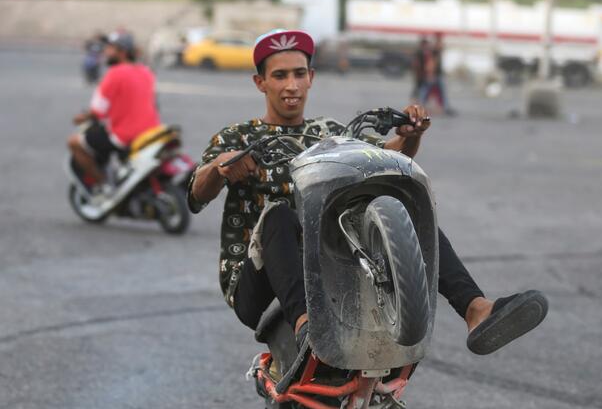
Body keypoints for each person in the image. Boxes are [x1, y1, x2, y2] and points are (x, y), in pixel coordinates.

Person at [187, 29, 547, 368]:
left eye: (298, 74)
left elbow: (384, 154)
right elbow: (196, 194)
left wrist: (410, 134)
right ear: (260, 82)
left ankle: (476, 309)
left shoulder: (329, 133)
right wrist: (220, 167)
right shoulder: (237, 137)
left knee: (403, 213)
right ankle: (307, 329)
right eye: (280, 76)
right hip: (259, 284)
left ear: (311, 77)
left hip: (327, 268)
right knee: (279, 215)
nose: (291, 85)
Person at [67, 31, 161, 189]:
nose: (105, 52)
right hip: (151, 131)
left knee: (74, 142)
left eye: (110, 48)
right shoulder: (146, 71)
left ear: (122, 52)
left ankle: (104, 185)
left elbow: (97, 111)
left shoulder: (114, 73)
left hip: (125, 135)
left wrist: (80, 118)